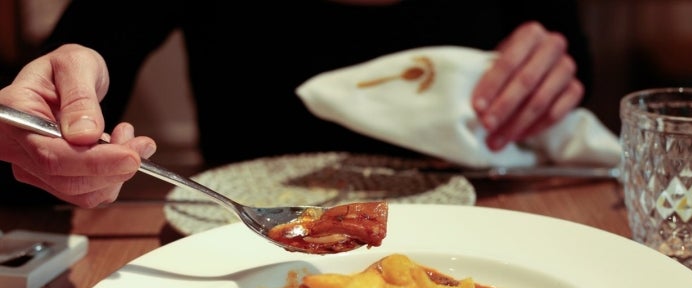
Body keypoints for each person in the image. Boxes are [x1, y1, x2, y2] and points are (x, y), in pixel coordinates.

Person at [0, 0, 592, 207]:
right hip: (230, 242)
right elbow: (79, 61)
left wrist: (553, 78)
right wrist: (43, 125)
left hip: (487, 220)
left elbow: (579, 80)